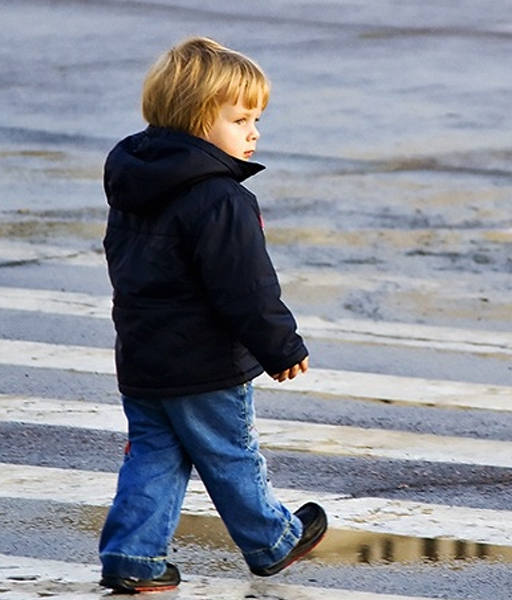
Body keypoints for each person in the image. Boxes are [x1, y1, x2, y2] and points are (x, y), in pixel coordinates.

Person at [97, 37, 327, 593]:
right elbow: (244, 287)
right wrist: (281, 346)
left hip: (144, 354)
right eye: (240, 118)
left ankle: (133, 556)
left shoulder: (134, 182)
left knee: (155, 455)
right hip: (205, 363)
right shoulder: (221, 198)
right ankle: (272, 540)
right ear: (199, 120)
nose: (254, 132)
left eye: (256, 119)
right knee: (230, 452)